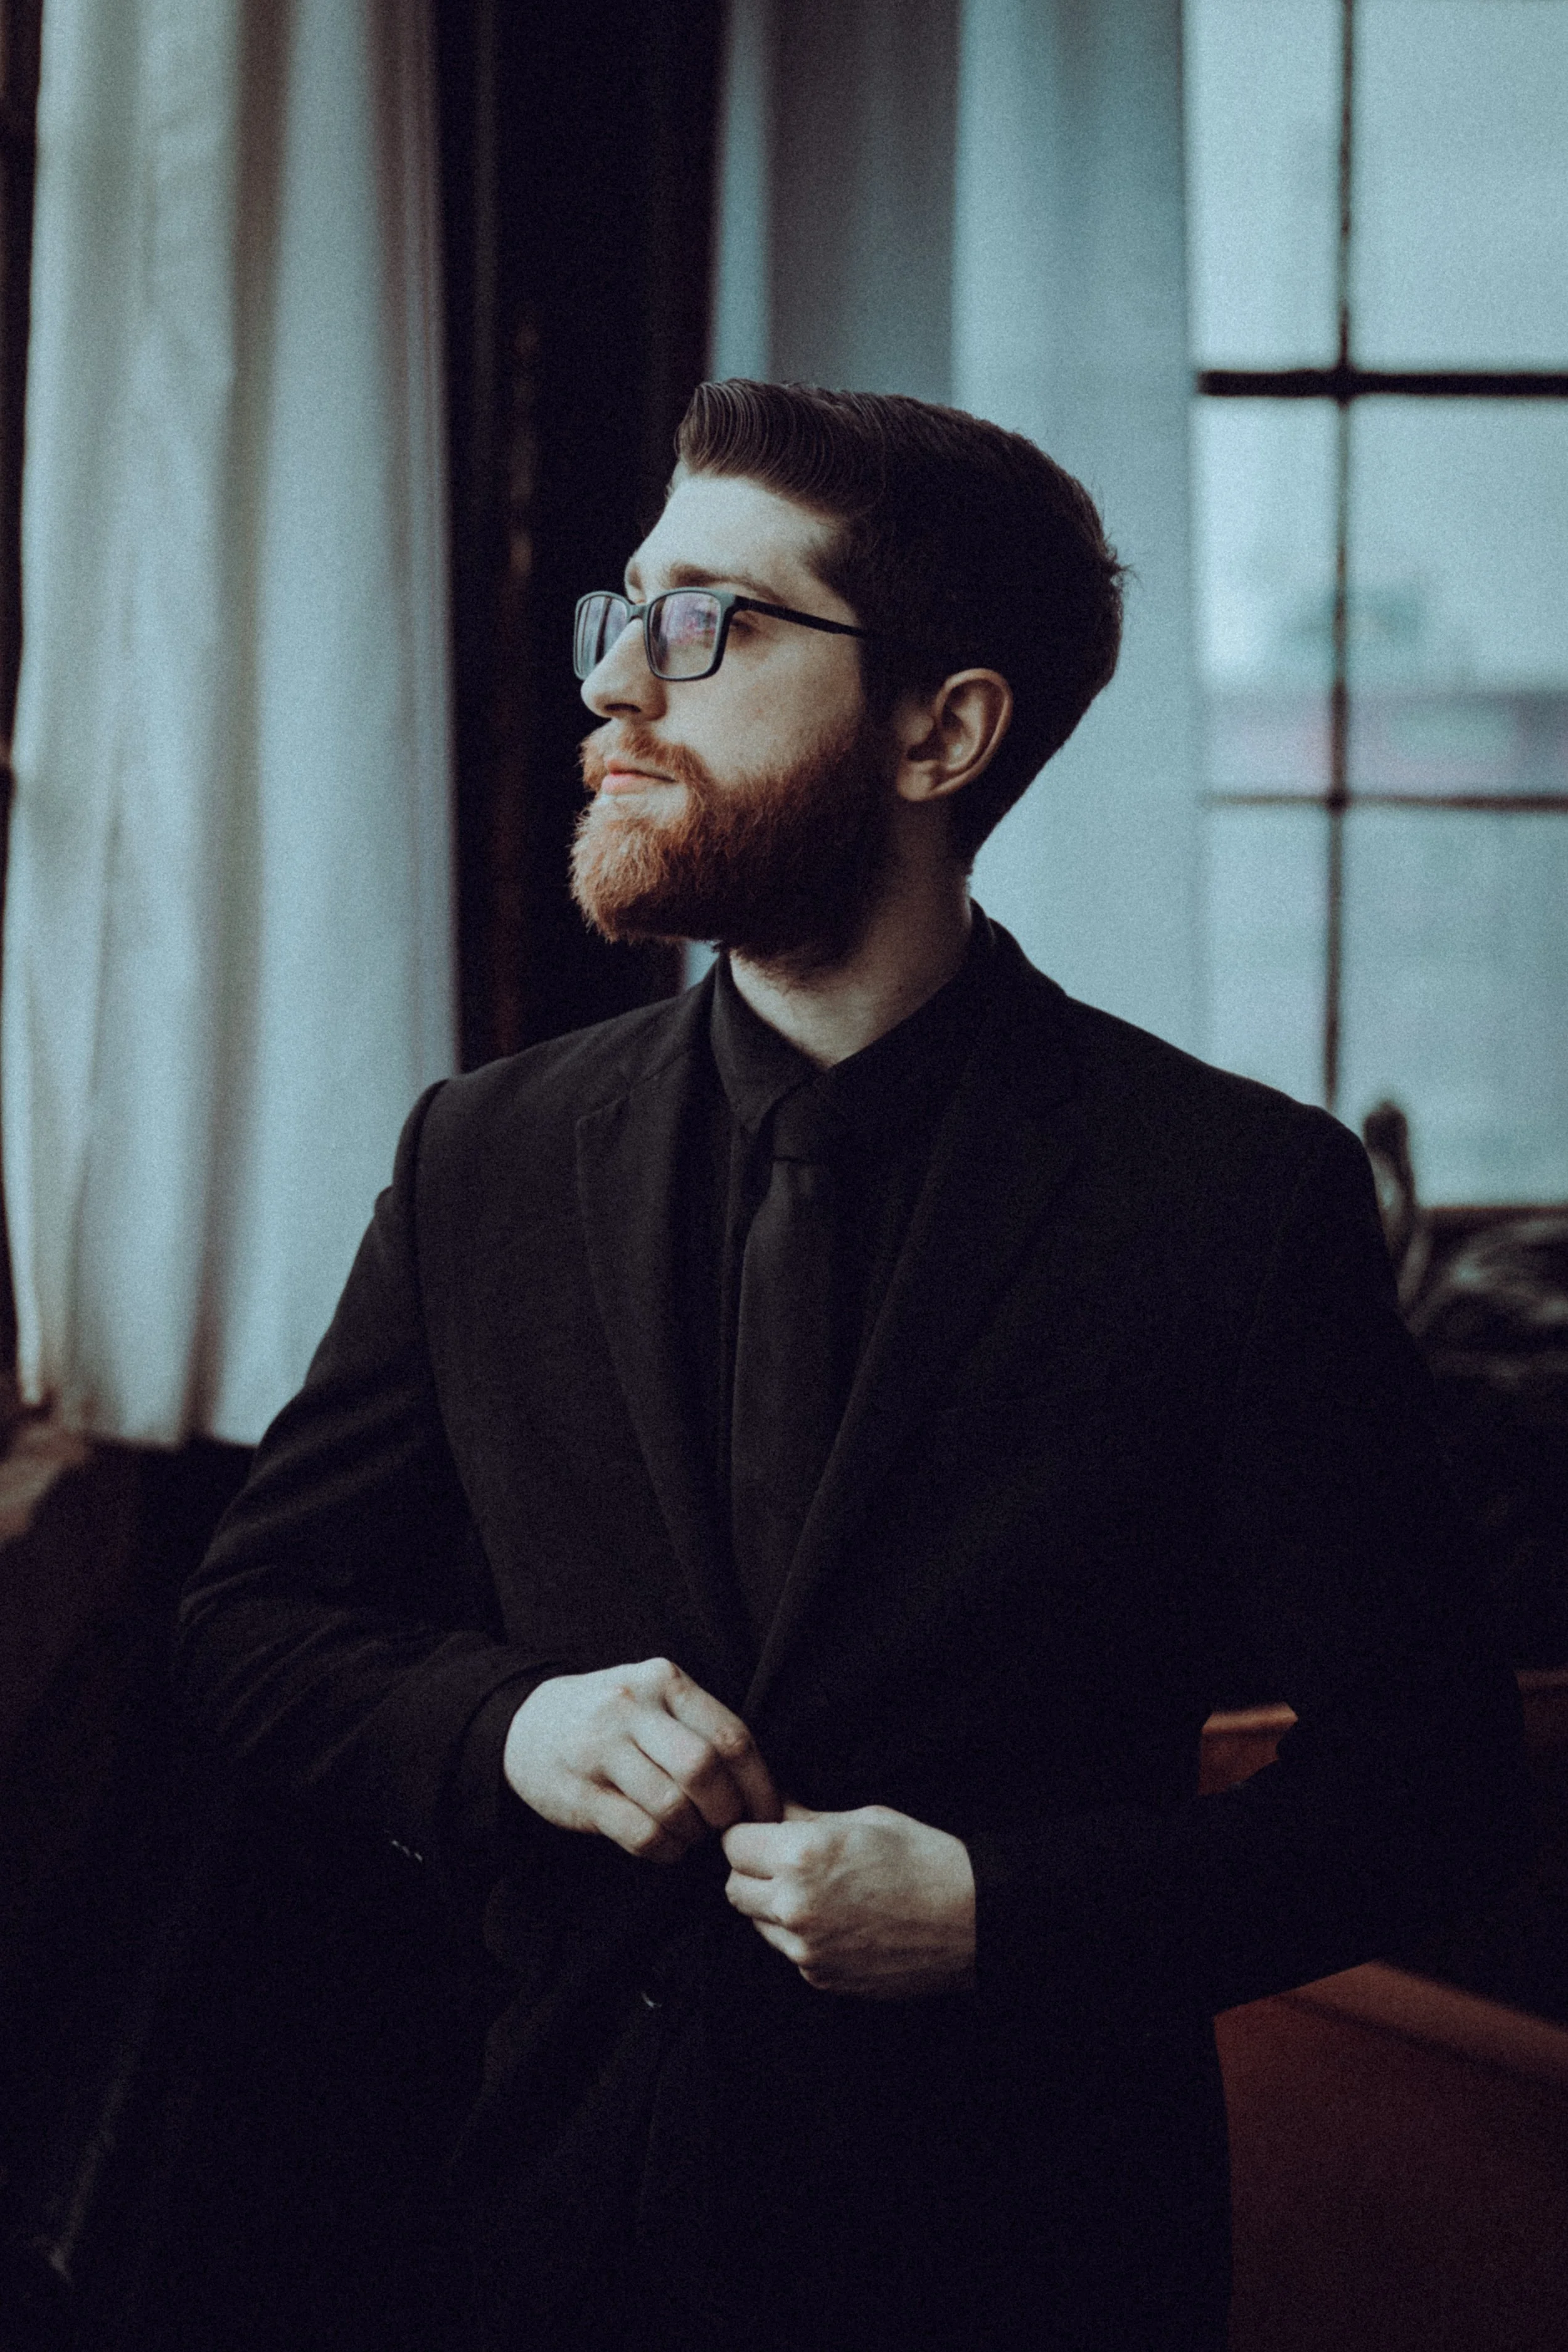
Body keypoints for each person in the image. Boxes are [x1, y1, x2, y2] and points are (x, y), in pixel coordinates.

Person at [176, 381, 1530, 2352]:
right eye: (621, 614)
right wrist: (508, 1730)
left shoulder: (1237, 1202)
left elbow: (1429, 1794)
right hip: (545, 2235)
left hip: (1027, 2256)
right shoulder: (482, 1153)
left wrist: (999, 1909)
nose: (616, 691)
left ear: (943, 728)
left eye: (708, 622)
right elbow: (249, 1623)